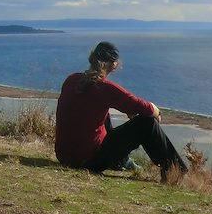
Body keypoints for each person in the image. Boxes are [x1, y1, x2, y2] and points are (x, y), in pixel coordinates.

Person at [55, 41, 188, 182]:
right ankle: (175, 171)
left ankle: (121, 162)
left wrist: (130, 109)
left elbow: (95, 106)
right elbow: (144, 108)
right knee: (147, 123)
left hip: (64, 156)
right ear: (114, 65)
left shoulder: (71, 80)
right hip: (88, 161)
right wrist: (156, 111)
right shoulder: (103, 87)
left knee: (101, 113)